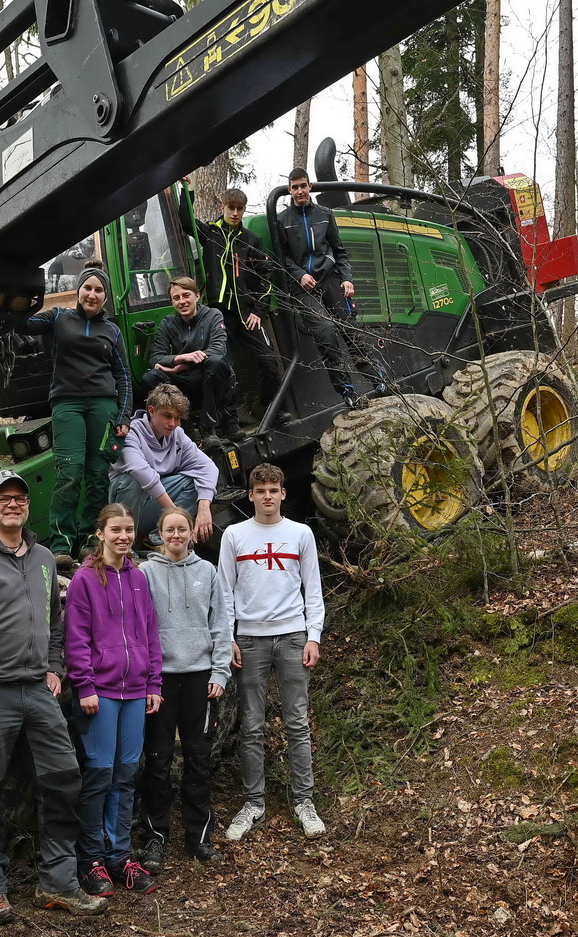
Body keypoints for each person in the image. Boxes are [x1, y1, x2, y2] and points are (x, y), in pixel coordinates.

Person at [0, 469, 109, 924]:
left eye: (19, 497)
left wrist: (55, 668)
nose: (13, 504)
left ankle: (57, 880)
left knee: (64, 778)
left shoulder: (43, 558)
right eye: (2, 497)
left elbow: (55, 623)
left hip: (38, 690)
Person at [218, 463, 328, 842]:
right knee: (251, 725)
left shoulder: (300, 534)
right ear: (250, 495)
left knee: (297, 722)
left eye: (273, 489)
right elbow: (224, 592)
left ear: (283, 493)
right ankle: (253, 802)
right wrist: (228, 637)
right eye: (260, 490)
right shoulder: (234, 535)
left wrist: (313, 635)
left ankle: (304, 801)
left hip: (293, 636)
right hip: (249, 640)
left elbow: (313, 588)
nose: (267, 496)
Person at [64, 503, 164, 896]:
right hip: (100, 693)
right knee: (100, 774)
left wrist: (154, 683)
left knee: (126, 774)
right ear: (100, 533)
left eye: (128, 530)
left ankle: (120, 857)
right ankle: (91, 858)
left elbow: (151, 633)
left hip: (136, 691)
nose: (123, 537)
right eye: (115, 530)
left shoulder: (139, 578)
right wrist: (84, 686)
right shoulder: (85, 580)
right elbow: (76, 639)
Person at [16, 259, 132, 568]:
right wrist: (16, 296)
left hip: (103, 406)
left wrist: (123, 416)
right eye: (87, 288)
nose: (92, 294)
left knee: (97, 475)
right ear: (78, 290)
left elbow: (123, 376)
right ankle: (61, 544)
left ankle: (90, 541)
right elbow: (23, 324)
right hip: (67, 404)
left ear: (105, 295)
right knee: (69, 471)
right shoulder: (58, 318)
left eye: (98, 290)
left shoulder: (113, 331)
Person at [135, 506, 230, 870]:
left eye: (182, 529)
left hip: (200, 679)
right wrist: (146, 678)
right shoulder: (146, 573)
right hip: (159, 680)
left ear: (192, 533)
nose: (176, 535)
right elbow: (140, 629)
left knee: (198, 759)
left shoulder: (207, 571)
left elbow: (220, 624)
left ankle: (198, 837)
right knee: (157, 760)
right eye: (169, 530)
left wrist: (219, 673)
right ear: (159, 534)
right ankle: (155, 838)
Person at [277, 168, 386, 407]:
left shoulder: (325, 214)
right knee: (325, 331)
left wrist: (347, 278)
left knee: (350, 328)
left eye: (303, 186)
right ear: (289, 190)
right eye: (294, 187)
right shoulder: (283, 220)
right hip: (303, 286)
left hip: (329, 279)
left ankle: (378, 380)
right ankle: (347, 392)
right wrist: (299, 275)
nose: (299, 191)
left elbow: (340, 251)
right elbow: (282, 258)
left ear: (310, 186)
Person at [200, 189, 282, 415]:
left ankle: (267, 409)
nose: (235, 213)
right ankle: (231, 420)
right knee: (224, 366)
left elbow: (266, 277)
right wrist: (186, 189)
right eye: (231, 208)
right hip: (220, 314)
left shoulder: (252, 240)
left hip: (247, 313)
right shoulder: (210, 233)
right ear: (222, 208)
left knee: (269, 361)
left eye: (240, 209)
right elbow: (186, 220)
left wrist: (258, 310)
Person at [109, 383, 220, 546]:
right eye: (167, 416)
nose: (173, 423)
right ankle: (125, 543)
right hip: (124, 507)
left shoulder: (177, 435)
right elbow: (142, 472)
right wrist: (175, 513)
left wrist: (204, 506)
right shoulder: (131, 432)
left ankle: (159, 536)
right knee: (131, 481)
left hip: (152, 505)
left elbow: (208, 468)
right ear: (151, 411)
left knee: (196, 482)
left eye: (177, 418)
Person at [138, 276, 239, 442]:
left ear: (197, 296)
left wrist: (182, 366)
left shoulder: (213, 315)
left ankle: (208, 429)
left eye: (186, 295)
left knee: (217, 362)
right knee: (151, 377)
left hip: (212, 381)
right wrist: (182, 357)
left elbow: (218, 349)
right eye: (176, 298)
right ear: (172, 302)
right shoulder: (168, 323)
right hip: (186, 386)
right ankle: (185, 429)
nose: (182, 301)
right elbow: (156, 357)